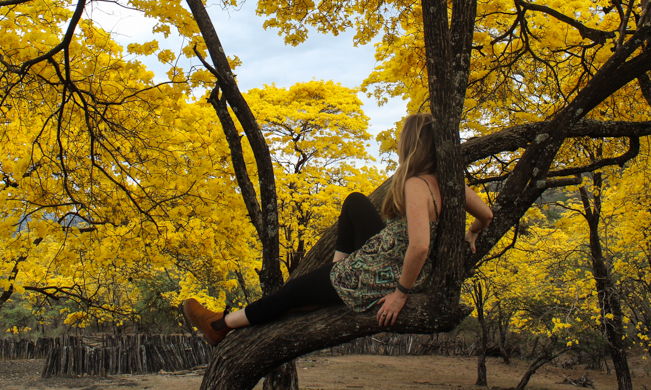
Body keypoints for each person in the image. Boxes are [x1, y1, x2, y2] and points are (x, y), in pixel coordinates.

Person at [183, 113, 494, 345]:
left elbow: (420, 246)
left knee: (291, 292)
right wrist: (473, 231)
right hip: (389, 255)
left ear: (412, 144)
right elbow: (487, 215)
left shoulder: (415, 184)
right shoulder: (450, 182)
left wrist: (401, 294)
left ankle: (220, 326)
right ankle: (336, 277)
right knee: (355, 202)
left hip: (386, 270)